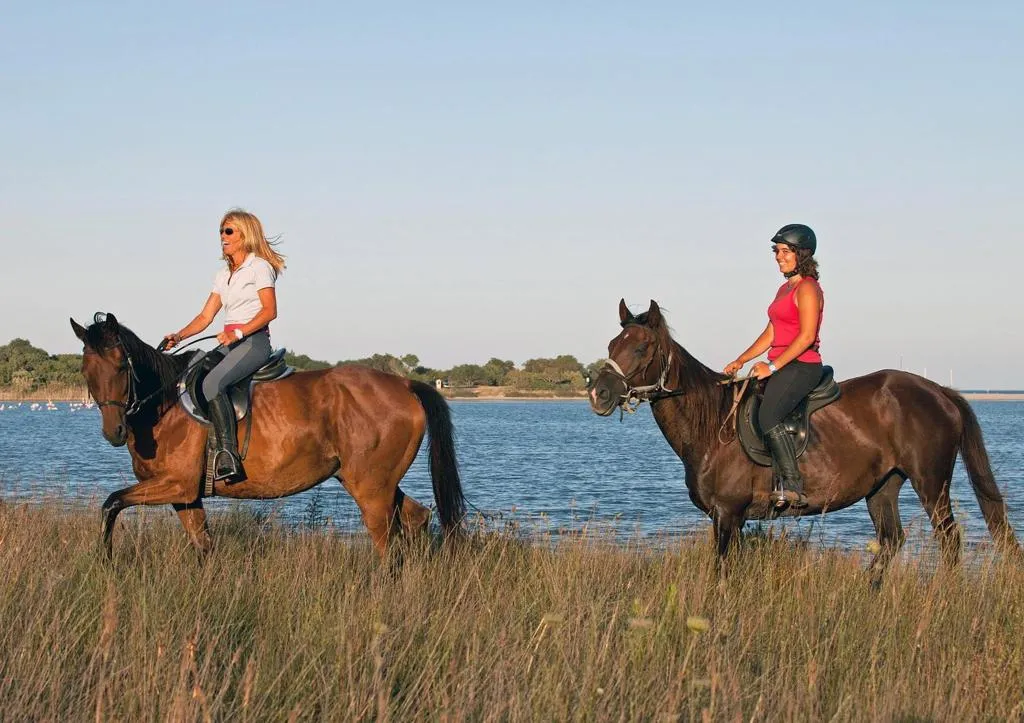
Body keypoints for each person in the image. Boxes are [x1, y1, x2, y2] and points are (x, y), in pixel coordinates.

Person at [163, 209, 285, 482]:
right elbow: (206, 317)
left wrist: (238, 332)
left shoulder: (259, 267)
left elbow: (269, 311)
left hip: (253, 342)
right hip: (230, 343)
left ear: (245, 235)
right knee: (192, 376)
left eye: (228, 231)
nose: (222, 237)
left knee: (212, 384)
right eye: (221, 231)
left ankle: (228, 456)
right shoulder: (222, 275)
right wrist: (179, 336)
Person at [723, 223, 824, 508]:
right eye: (776, 252)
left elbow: (805, 336)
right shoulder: (784, 288)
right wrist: (742, 359)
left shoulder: (807, 288)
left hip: (802, 365)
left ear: (801, 254)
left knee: (768, 416)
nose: (779, 257)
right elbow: (771, 333)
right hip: (783, 363)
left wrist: (773, 366)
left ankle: (792, 485)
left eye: (784, 251)